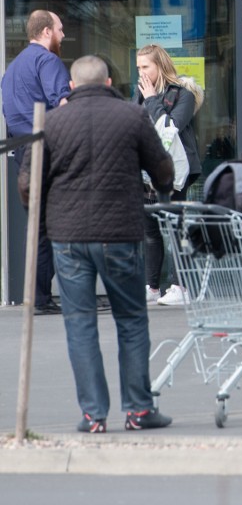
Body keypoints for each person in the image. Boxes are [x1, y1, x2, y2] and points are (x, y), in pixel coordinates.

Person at [18, 55, 175, 433]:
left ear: (71, 87)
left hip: (69, 237)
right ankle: (138, 410)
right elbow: (164, 171)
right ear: (108, 84)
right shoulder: (132, 117)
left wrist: (43, 211)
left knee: (80, 324)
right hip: (120, 233)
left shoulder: (51, 123)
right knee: (132, 321)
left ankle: (93, 415)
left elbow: (27, 185)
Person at [1, 10, 71, 315]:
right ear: (45, 32)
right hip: (47, 149)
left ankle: (38, 295)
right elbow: (63, 104)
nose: (63, 35)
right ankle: (44, 297)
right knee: (53, 225)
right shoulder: (48, 61)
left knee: (37, 226)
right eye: (59, 29)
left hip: (24, 154)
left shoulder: (12, 69)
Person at [135, 44, 204, 306]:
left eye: (145, 67)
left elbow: (170, 128)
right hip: (146, 168)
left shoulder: (182, 94)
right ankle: (152, 286)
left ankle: (180, 286)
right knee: (150, 229)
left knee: (176, 227)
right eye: (138, 67)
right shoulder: (141, 92)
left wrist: (152, 99)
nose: (141, 73)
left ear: (160, 66)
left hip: (175, 169)